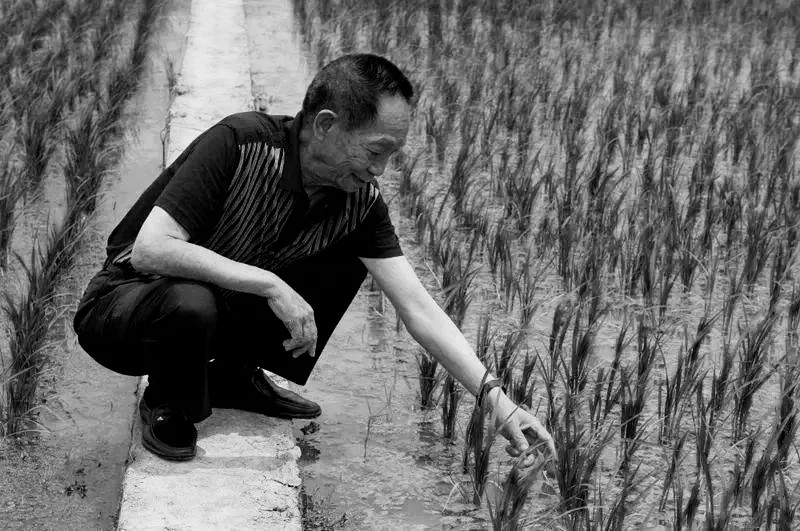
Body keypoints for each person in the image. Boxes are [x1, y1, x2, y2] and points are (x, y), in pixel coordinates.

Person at [73, 53, 555, 463]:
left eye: (392, 156)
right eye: (375, 151)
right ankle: (168, 400)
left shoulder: (358, 202)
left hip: (215, 311)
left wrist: (497, 400)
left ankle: (232, 376)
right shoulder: (240, 143)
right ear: (325, 125)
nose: (380, 169)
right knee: (190, 301)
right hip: (126, 309)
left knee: (346, 256)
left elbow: (418, 307)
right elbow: (151, 249)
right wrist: (270, 284)